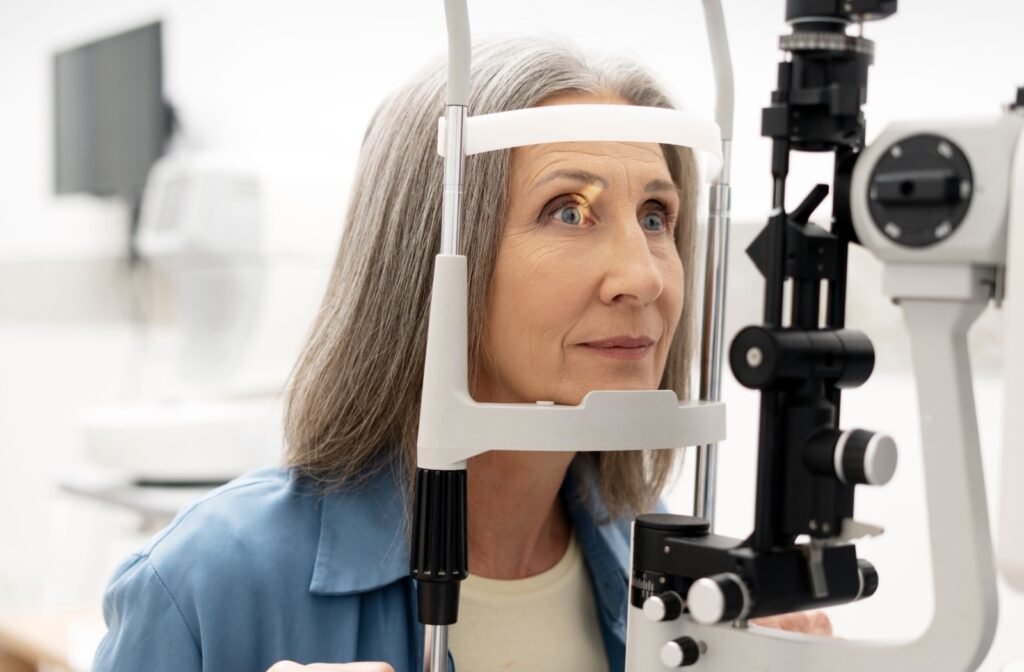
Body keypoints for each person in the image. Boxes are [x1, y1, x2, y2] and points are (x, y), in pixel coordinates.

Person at [92, 36, 831, 672]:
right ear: (431, 260)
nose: (642, 276)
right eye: (568, 211)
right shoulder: (210, 583)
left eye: (656, 215)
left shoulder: (661, 567)